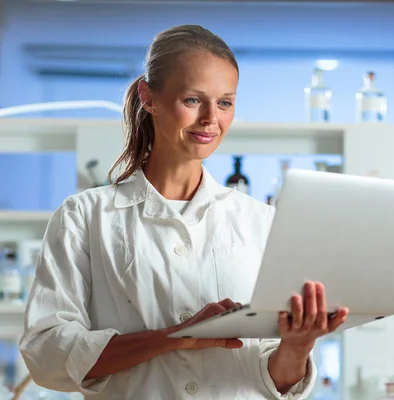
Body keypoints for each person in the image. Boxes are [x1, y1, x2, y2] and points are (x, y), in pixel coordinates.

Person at [18, 24, 349, 399]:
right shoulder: (86, 217)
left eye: (225, 102)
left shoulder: (261, 222)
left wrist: (298, 346)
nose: (211, 118)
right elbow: (45, 354)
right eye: (194, 100)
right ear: (149, 97)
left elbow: (274, 376)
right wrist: (172, 338)